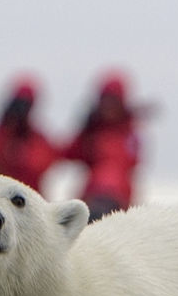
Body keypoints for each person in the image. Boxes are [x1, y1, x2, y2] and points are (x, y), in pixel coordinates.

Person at [61, 71, 144, 220]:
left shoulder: (128, 133)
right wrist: (85, 130)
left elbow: (131, 162)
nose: (108, 106)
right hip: (91, 196)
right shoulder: (92, 133)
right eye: (105, 100)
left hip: (118, 200)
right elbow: (66, 153)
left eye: (113, 101)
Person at [0, 77, 58, 193]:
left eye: (26, 104)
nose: (22, 109)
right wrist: (6, 128)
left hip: (29, 202)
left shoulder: (37, 139)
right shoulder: (0, 135)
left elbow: (42, 165)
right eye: (19, 103)